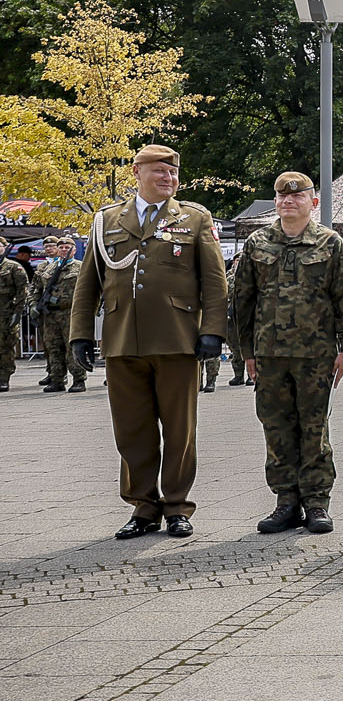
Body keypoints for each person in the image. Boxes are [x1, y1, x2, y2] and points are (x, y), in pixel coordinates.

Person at [70, 143, 229, 539]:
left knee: (180, 429)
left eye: (173, 173)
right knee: (131, 429)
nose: (168, 179)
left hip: (177, 340)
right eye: (159, 172)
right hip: (123, 341)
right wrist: (80, 335)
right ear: (137, 173)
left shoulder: (193, 218)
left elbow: (214, 281)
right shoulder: (106, 220)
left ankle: (176, 506)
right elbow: (88, 284)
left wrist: (212, 331)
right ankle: (143, 506)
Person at [231, 172, 343, 535]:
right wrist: (245, 351)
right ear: (275, 202)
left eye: (298, 196)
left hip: (316, 355)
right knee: (276, 428)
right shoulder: (258, 243)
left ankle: (317, 502)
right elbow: (242, 300)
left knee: (314, 428)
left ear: (313, 202)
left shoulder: (330, 243)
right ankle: (286, 501)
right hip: (269, 355)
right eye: (282, 196)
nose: (289, 201)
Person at [35, 234, 88, 392]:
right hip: (50, 315)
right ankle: (57, 379)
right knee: (53, 347)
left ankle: (79, 379)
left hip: (71, 313)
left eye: (67, 248)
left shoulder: (81, 267)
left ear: (74, 250)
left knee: (72, 347)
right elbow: (36, 288)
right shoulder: (48, 268)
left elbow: (88, 290)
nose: (64, 250)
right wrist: (34, 305)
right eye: (61, 247)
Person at [0, 246, 26, 392]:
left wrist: (17, 313)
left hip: (6, 314)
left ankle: (4, 378)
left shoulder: (13, 267)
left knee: (6, 347)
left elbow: (22, 291)